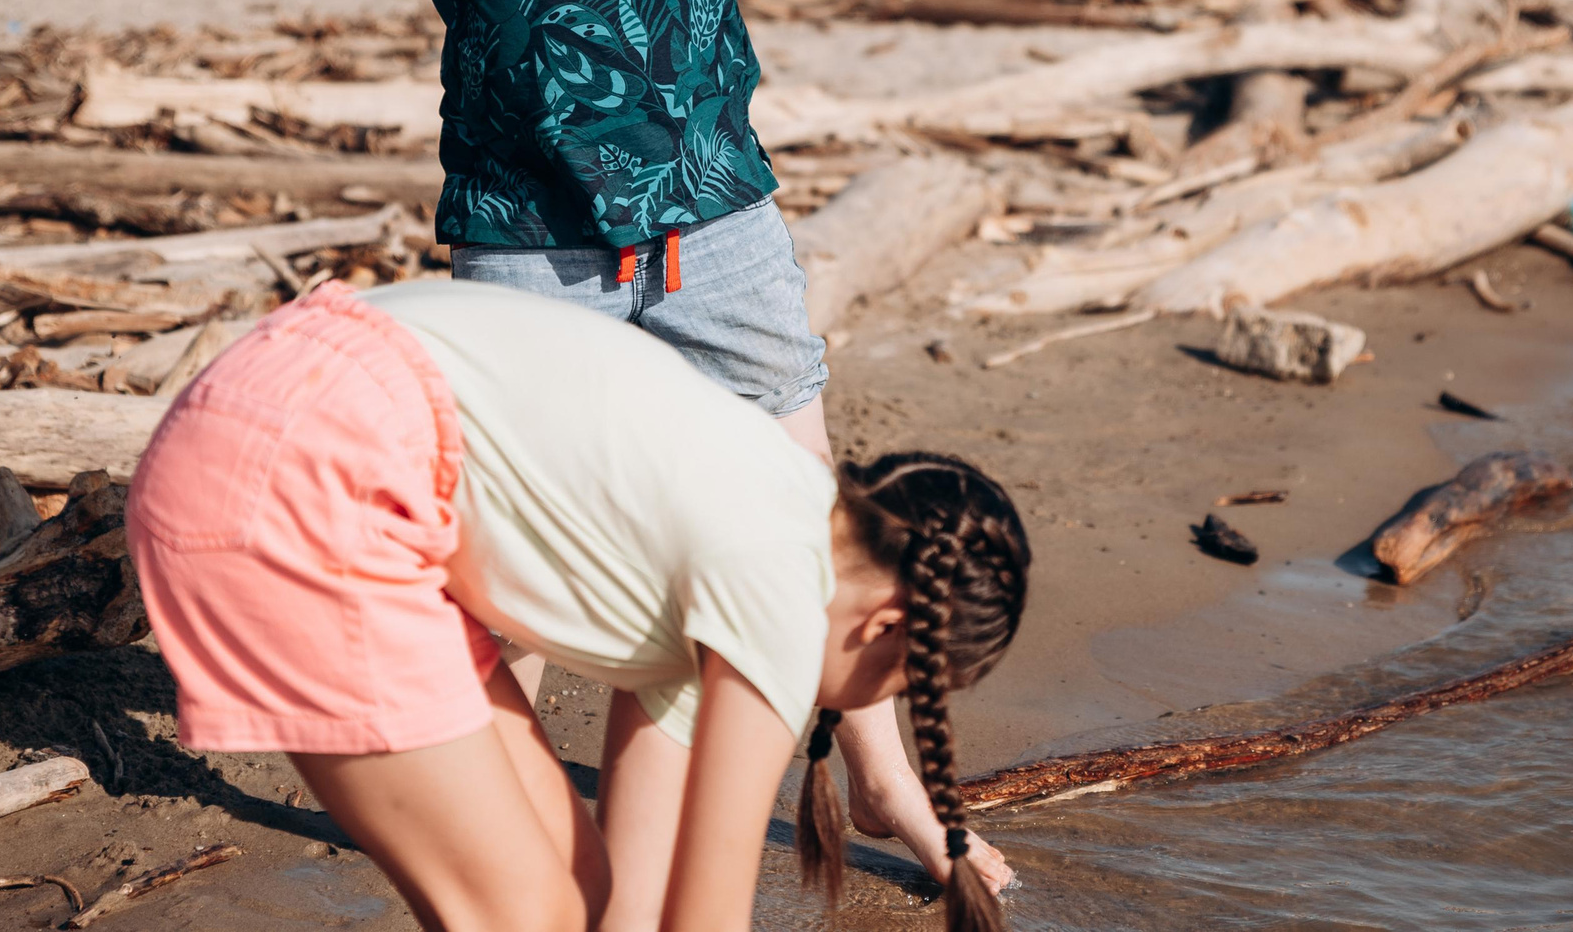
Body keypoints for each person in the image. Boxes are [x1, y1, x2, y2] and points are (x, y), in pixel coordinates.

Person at [138, 0, 1149, 888]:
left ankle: (888, 788)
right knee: (510, 585)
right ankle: (512, 843)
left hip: (714, 216)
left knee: (819, 539)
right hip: (526, 255)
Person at [128, 277, 1028, 932]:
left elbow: (633, 904)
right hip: (311, 467)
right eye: (898, 684)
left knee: (576, 891)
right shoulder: (781, 589)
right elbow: (709, 916)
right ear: (887, 624)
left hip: (288, 405)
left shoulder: (760, 526)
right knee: (520, 913)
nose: (853, 704)